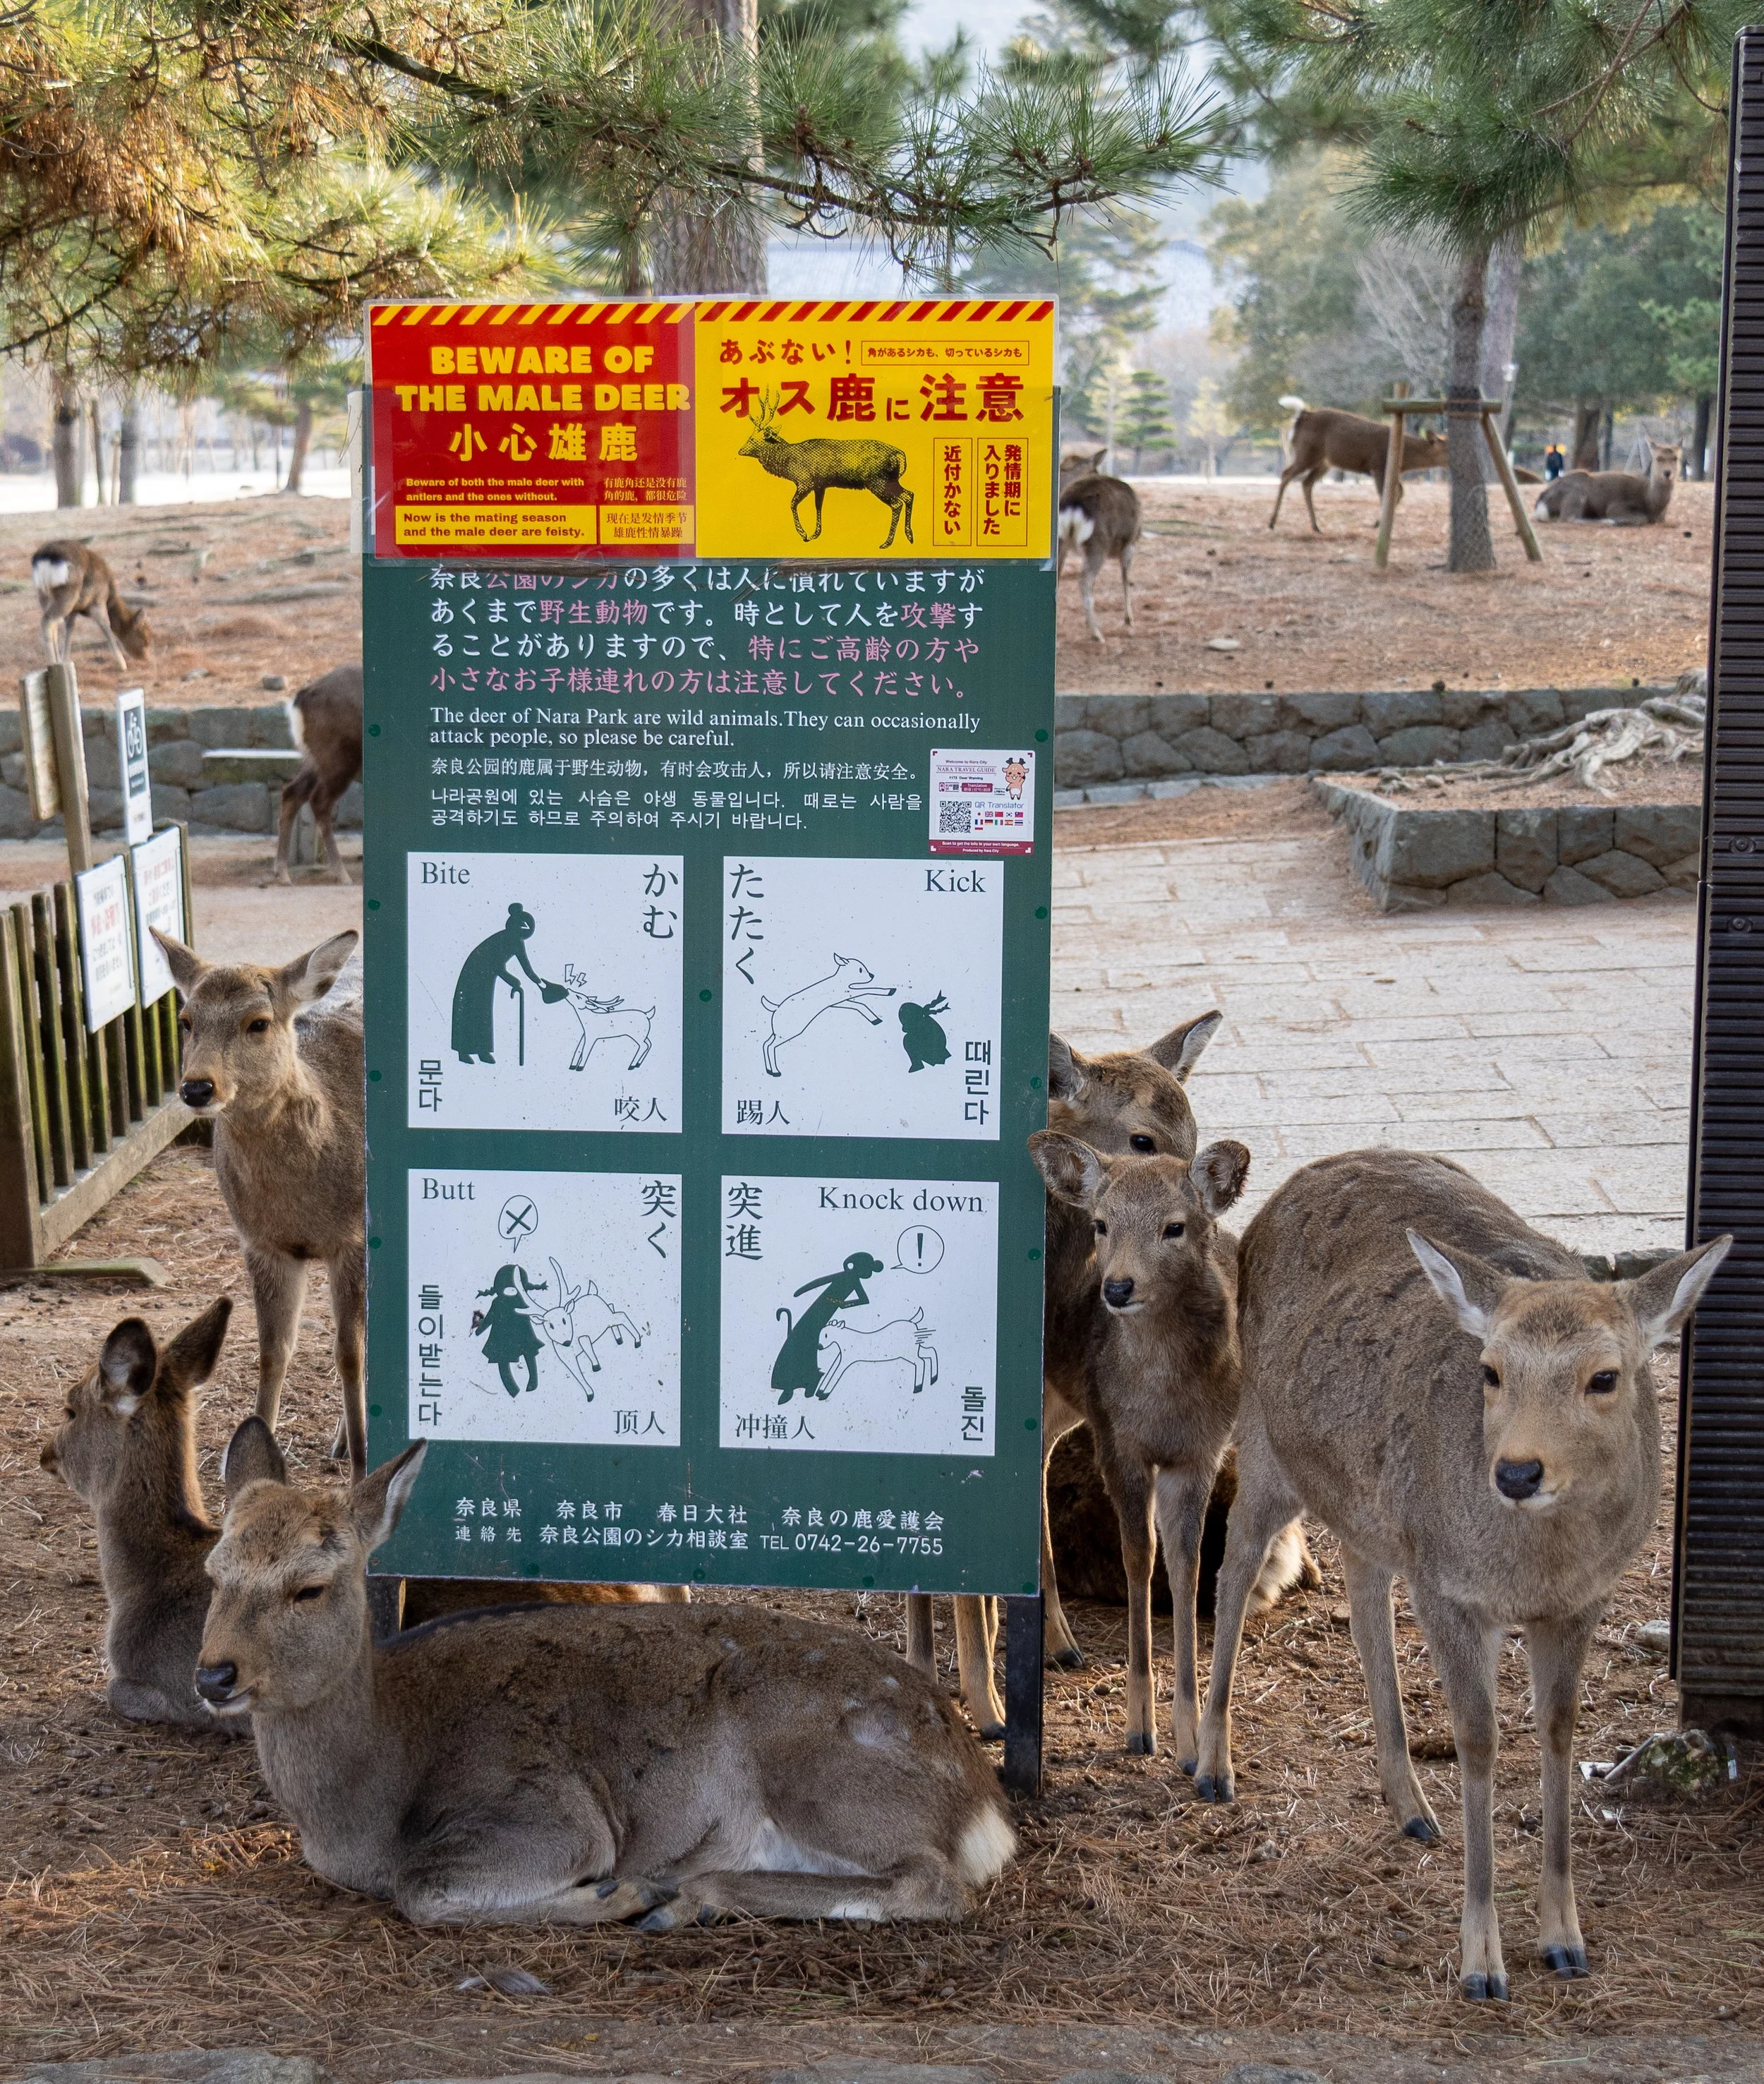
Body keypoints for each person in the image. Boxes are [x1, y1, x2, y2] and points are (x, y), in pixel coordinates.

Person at [450, 902, 558, 1064]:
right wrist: (513, 980)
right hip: (474, 974)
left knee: (483, 1012)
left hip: (486, 977)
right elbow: (497, 966)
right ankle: (463, 1052)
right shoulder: (504, 938)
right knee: (470, 1009)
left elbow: (527, 968)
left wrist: (540, 983)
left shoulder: (516, 941)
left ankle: (482, 1051)